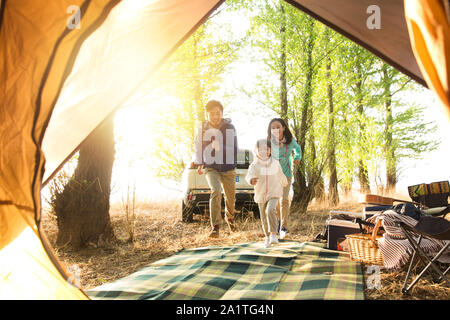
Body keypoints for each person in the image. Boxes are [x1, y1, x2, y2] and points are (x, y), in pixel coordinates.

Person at [192, 100, 238, 238]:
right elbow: (198, 146)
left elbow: (235, 149)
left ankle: (230, 218)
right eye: (212, 114)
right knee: (215, 190)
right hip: (211, 167)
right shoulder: (202, 129)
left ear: (222, 113)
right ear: (207, 115)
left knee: (231, 197)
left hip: (228, 167)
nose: (215, 117)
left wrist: (221, 147)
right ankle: (215, 227)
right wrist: (200, 162)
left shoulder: (229, 128)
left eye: (218, 113)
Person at [246, 139, 287, 248]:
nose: (264, 151)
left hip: (274, 192)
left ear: (270, 150)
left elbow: (280, 174)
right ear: (256, 150)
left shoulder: (275, 162)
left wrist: (284, 182)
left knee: (270, 209)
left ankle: (273, 234)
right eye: (261, 149)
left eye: (266, 149)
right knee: (263, 217)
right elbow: (249, 175)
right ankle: (267, 236)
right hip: (261, 193)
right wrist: (251, 180)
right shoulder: (254, 164)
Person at [267, 118, 302, 239]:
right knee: (276, 201)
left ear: (283, 128)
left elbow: (298, 149)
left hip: (286, 175)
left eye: (278, 127)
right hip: (273, 176)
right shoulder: (269, 142)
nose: (275, 129)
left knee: (284, 200)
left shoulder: (290, 141)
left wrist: (297, 157)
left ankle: (284, 227)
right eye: (273, 128)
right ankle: (277, 223)